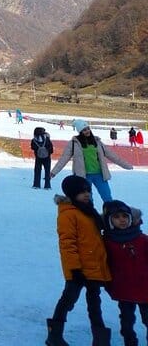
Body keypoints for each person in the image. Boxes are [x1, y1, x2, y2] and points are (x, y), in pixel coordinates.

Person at [45, 175, 112, 346]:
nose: (87, 194)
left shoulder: (88, 211)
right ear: (72, 193)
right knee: (68, 301)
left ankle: (100, 339)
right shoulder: (68, 214)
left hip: (93, 267)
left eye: (88, 191)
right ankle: (54, 335)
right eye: (82, 192)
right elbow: (67, 244)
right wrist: (74, 269)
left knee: (95, 305)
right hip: (78, 270)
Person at [51, 119, 133, 203]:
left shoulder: (97, 142)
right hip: (83, 176)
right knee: (87, 200)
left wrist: (126, 165)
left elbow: (112, 155)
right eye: (84, 130)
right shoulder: (74, 143)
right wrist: (54, 172)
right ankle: (90, 211)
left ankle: (110, 210)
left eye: (88, 129)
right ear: (80, 132)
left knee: (107, 197)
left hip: (99, 174)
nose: (87, 131)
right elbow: (64, 158)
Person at [102, 200, 148, 346]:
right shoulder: (107, 242)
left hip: (145, 288)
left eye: (125, 216)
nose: (122, 220)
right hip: (124, 289)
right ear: (109, 221)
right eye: (116, 217)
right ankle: (130, 342)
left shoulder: (142, 240)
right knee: (127, 322)